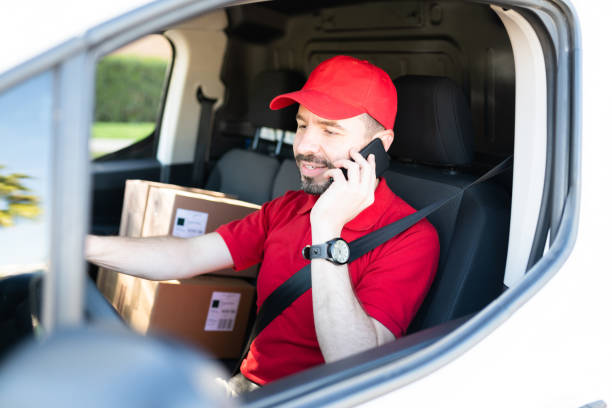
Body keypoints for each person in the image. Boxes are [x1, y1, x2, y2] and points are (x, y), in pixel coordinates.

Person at [86, 55, 439, 395]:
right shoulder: (288, 208)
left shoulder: (410, 238)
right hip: (244, 390)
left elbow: (353, 364)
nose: (304, 146)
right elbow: (186, 255)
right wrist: (80, 245)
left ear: (380, 145)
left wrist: (326, 229)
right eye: (302, 125)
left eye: (330, 131)